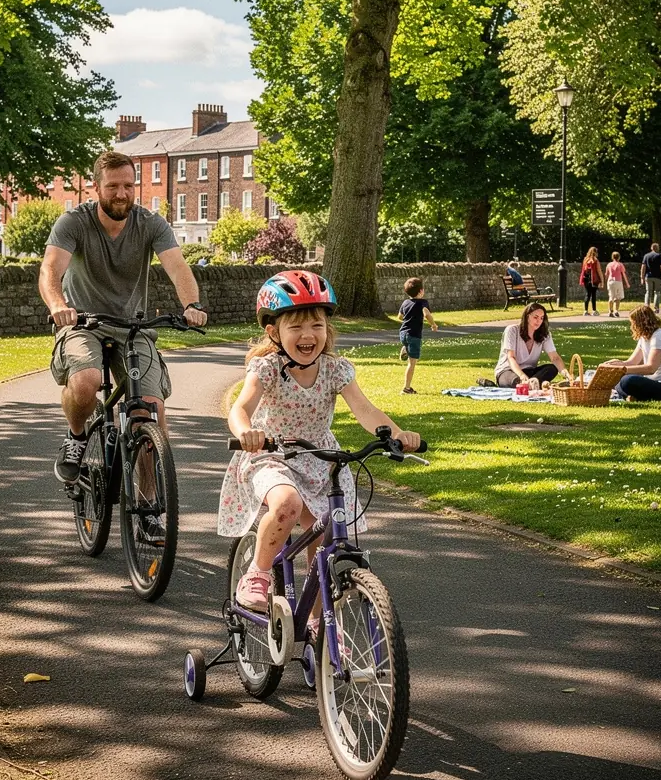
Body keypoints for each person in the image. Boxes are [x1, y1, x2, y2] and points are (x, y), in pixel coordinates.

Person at [219, 270, 421, 610]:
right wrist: (246, 433)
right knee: (287, 505)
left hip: (321, 457)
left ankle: (318, 623)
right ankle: (258, 572)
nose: (307, 334)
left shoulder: (335, 369)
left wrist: (397, 435)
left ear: (327, 329)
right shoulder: (267, 368)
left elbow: (366, 410)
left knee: (327, 531)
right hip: (271, 453)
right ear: (274, 331)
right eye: (295, 326)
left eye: (316, 325)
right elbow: (241, 408)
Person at [39, 150, 208, 484]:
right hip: (81, 323)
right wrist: (58, 304)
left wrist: (193, 305)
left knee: (150, 413)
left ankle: (148, 508)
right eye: (113, 186)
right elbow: (50, 269)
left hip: (133, 326)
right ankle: (76, 436)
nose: (122, 194)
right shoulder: (74, 222)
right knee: (85, 382)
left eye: (129, 186)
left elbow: (177, 267)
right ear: (96, 188)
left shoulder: (151, 224)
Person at [601, 305, 661, 402]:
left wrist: (621, 370)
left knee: (627, 381)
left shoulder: (659, 336)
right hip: (653, 382)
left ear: (641, 323)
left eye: (633, 323)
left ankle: (631, 395)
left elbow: (651, 368)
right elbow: (631, 362)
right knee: (618, 379)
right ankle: (633, 396)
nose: (631, 327)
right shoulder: (644, 338)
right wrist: (614, 365)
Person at [487, 302, 569, 388]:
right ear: (527, 316)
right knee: (515, 382)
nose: (539, 321)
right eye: (535, 317)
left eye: (541, 318)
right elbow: (511, 357)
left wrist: (565, 373)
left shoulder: (545, 335)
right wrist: (521, 375)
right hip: (508, 370)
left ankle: (532, 383)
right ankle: (529, 384)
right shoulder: (512, 330)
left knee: (552, 368)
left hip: (529, 372)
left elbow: (554, 358)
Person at [398, 276, 439, 394]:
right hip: (414, 335)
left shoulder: (405, 302)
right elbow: (426, 314)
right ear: (421, 291)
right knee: (412, 363)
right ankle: (406, 388)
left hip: (403, 332)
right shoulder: (423, 302)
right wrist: (433, 325)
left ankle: (405, 347)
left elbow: (400, 317)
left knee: (407, 344)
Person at [640, 242, 661, 313]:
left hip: (648, 277)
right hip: (657, 277)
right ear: (657, 248)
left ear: (651, 248)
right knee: (657, 292)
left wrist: (642, 277)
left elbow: (643, 267)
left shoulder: (646, 256)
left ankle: (647, 307)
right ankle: (656, 308)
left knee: (648, 292)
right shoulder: (659, 256)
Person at [579, 246, 605, 315]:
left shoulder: (585, 259)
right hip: (594, 280)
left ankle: (585, 311)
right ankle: (594, 310)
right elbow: (599, 271)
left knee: (587, 294)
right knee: (593, 295)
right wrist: (602, 281)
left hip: (586, 279)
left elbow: (583, 270)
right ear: (595, 252)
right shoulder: (595, 260)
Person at [605, 251, 630, 318]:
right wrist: (627, 283)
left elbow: (606, 274)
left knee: (611, 297)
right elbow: (623, 274)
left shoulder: (609, 264)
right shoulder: (620, 264)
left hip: (610, 281)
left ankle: (610, 311)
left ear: (612, 257)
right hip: (618, 281)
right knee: (618, 297)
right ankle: (616, 310)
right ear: (619, 257)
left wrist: (605, 282)